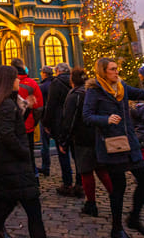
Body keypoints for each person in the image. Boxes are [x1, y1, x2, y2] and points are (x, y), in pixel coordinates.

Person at [83, 57, 144, 238]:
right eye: (112, 69)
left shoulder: (122, 87)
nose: (116, 72)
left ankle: (134, 217)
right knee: (118, 187)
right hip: (112, 144)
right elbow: (87, 116)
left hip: (130, 142)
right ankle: (117, 228)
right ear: (103, 72)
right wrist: (105, 119)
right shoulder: (95, 90)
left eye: (116, 68)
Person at [0, 65, 47, 238]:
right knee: (34, 213)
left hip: (7, 166)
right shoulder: (6, 104)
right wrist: (25, 152)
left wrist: (26, 110)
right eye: (16, 78)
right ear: (9, 81)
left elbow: (12, 125)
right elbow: (7, 134)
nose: (19, 80)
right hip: (15, 166)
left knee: (1, 213)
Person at [58, 67, 112, 217]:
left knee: (86, 171)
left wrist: (64, 141)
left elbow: (70, 120)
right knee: (101, 169)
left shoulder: (74, 95)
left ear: (72, 79)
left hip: (82, 138)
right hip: (97, 135)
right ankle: (114, 196)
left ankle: (91, 203)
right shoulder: (94, 91)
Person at [43, 62, 78, 196]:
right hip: (74, 124)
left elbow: (51, 105)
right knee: (76, 154)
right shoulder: (75, 81)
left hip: (60, 124)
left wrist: (46, 123)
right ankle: (80, 182)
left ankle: (67, 183)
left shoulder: (56, 83)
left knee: (63, 154)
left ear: (57, 71)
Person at [11, 58, 44, 173]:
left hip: (12, 127)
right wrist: (34, 123)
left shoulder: (6, 83)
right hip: (28, 126)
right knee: (29, 153)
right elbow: (38, 107)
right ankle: (33, 176)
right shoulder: (32, 83)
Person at [38, 65, 55, 176]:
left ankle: (46, 167)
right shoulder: (55, 84)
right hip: (57, 118)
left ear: (44, 73)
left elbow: (41, 104)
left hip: (45, 118)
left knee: (45, 144)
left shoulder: (42, 86)